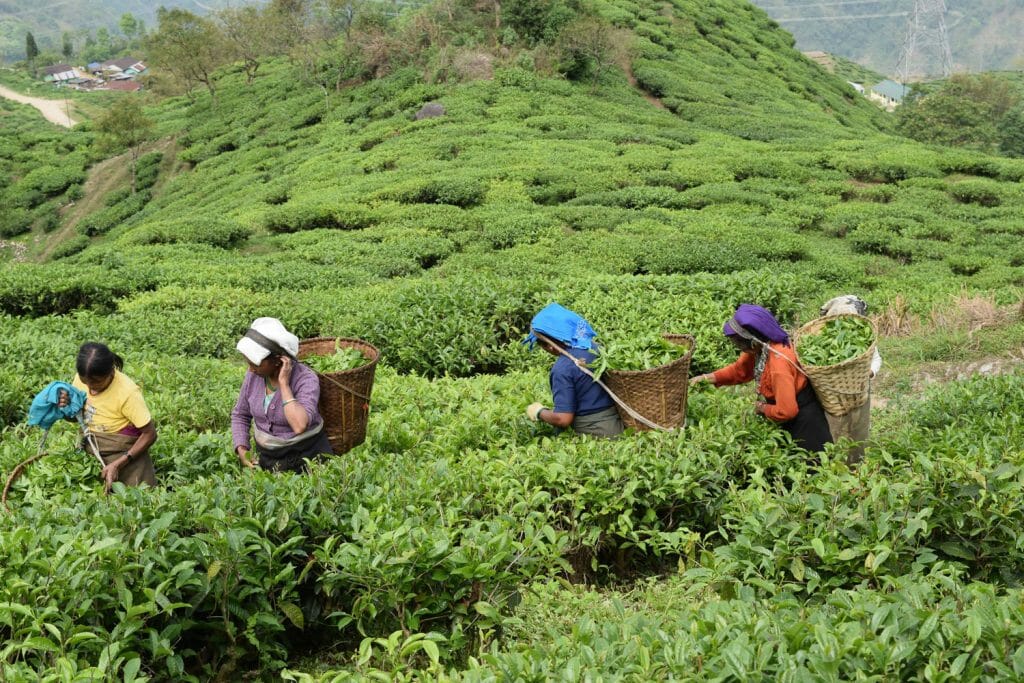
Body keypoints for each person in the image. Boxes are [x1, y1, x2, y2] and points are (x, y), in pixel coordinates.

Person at [690, 304, 832, 453]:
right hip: (784, 415)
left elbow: (787, 410)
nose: (738, 347)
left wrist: (762, 408)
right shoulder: (762, 347)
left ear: (752, 340)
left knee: (811, 465)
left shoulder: (779, 364)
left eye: (738, 342)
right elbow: (740, 370)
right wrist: (706, 378)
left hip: (805, 423)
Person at [231, 317, 332, 472]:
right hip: (268, 459)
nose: (250, 369)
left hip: (308, 459)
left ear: (279, 360)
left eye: (255, 363)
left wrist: (284, 384)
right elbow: (240, 414)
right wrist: (242, 448)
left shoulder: (306, 379)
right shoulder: (253, 376)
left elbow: (300, 425)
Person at [60, 342, 158, 492]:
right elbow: (78, 417)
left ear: (111, 371)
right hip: (92, 450)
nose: (91, 387)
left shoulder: (127, 393)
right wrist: (65, 408)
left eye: (97, 382)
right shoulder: (81, 379)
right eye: (86, 382)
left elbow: (150, 434)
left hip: (126, 455)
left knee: (136, 502)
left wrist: (118, 463)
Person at [524, 303, 624, 438]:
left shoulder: (562, 369)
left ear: (550, 346)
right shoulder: (596, 347)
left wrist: (539, 412)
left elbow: (563, 419)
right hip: (617, 424)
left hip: (594, 433)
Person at [818, 295, 881, 465]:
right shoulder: (823, 338)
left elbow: (876, 359)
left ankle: (857, 466)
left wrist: (870, 372)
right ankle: (835, 467)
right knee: (834, 430)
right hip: (833, 396)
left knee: (859, 430)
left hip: (860, 391)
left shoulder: (864, 336)